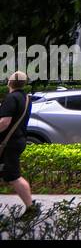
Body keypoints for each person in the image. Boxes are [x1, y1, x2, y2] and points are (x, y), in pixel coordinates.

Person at [0, 71, 38, 222]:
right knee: (7, 174)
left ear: (10, 82)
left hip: (8, 143)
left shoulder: (11, 98)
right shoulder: (25, 98)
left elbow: (4, 122)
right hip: (17, 140)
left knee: (13, 176)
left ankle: (31, 208)